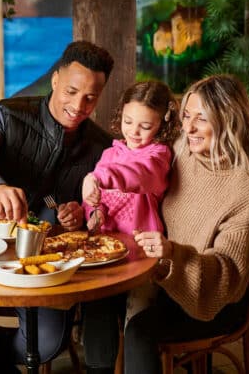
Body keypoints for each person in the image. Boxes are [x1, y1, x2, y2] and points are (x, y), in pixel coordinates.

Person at [0, 40, 115, 373]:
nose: (78, 106)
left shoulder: (100, 145)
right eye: (71, 91)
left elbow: (98, 204)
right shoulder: (9, 114)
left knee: (48, 344)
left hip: (42, 262)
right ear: (55, 81)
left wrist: (80, 211)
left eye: (90, 97)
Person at [124, 74, 249, 373]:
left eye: (200, 119)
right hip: (165, 274)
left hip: (216, 298)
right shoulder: (181, 151)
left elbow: (228, 272)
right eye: (186, 116)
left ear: (228, 119)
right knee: (101, 303)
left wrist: (172, 253)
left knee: (139, 331)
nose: (188, 128)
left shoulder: (247, 186)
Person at [78, 81, 180, 374]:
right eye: (127, 121)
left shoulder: (158, 157)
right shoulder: (111, 153)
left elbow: (139, 175)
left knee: (137, 319)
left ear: (162, 125)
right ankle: (99, 368)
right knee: (96, 306)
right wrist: (93, 211)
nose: (134, 132)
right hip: (107, 251)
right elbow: (97, 202)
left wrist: (98, 177)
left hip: (143, 255)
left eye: (145, 125)